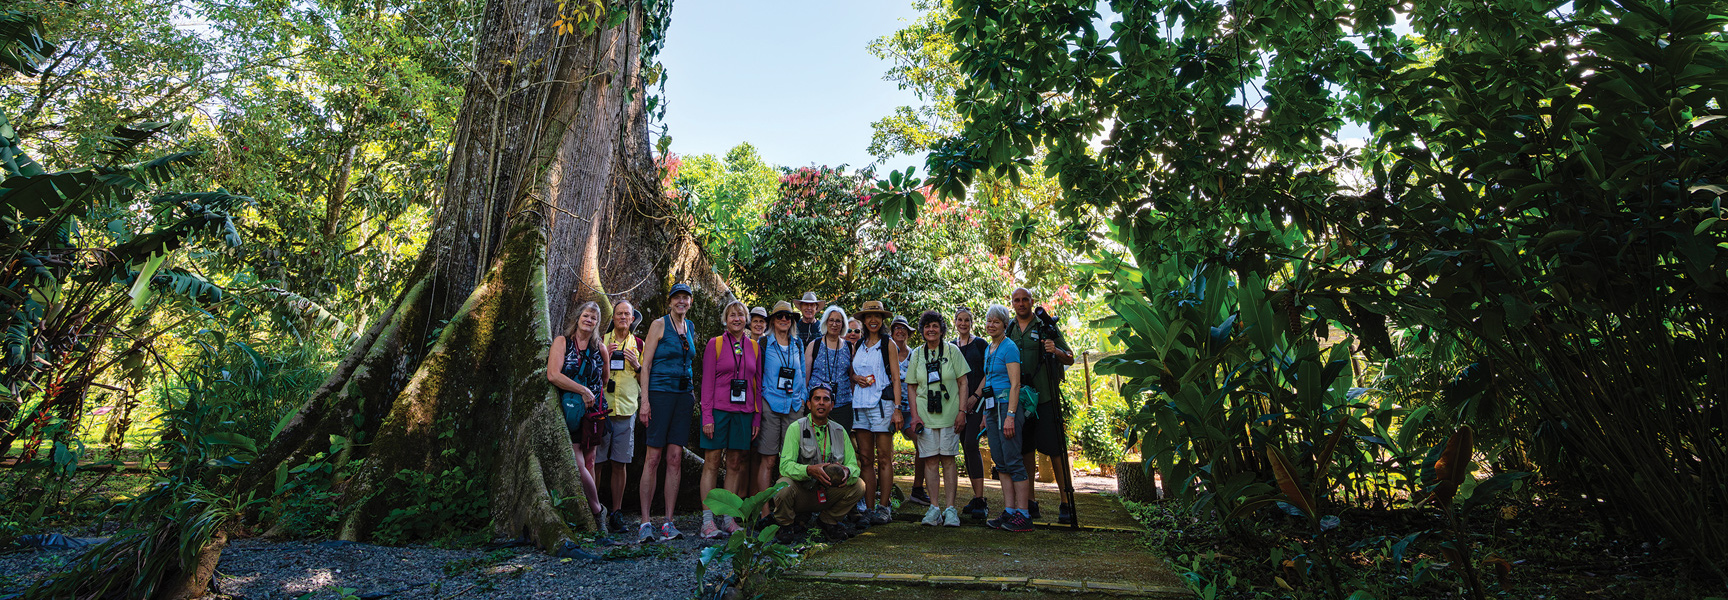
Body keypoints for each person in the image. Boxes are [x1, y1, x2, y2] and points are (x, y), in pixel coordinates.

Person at [1007, 287, 1078, 524]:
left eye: (1025, 299)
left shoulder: (1045, 326)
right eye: (1016, 300)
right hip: (1021, 400)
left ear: (1031, 301)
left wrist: (1054, 350)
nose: (1021, 304)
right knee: (1025, 449)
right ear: (1013, 303)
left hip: (1046, 397)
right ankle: (1030, 502)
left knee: (1055, 450)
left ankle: (1066, 502)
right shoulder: (1010, 328)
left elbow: (1070, 356)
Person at [637, 283, 698, 542]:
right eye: (677, 298)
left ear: (690, 301)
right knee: (653, 457)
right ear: (670, 302)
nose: (681, 302)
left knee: (675, 458)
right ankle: (645, 522)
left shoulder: (691, 327)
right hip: (660, 396)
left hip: (683, 397)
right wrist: (645, 401)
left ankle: (668, 522)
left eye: (685, 297)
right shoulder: (658, 325)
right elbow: (646, 365)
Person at [699, 300, 763, 539]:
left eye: (741, 315)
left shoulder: (754, 347)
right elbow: (707, 383)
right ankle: (707, 520)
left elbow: (757, 386)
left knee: (735, 464)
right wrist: (707, 416)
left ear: (746, 319)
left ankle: (728, 518)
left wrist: (756, 419)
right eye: (732, 315)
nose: (736, 318)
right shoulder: (715, 345)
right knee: (712, 463)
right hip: (718, 412)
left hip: (744, 413)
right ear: (725, 319)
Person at [770, 384, 864, 544]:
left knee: (859, 485)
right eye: (817, 399)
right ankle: (786, 525)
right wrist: (809, 470)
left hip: (829, 492)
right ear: (809, 404)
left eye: (826, 399)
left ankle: (828, 521)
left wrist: (848, 471)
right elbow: (785, 466)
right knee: (782, 486)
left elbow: (854, 466)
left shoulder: (840, 431)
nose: (821, 403)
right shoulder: (795, 428)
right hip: (802, 492)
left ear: (832, 405)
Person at [548, 300, 609, 528]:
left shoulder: (599, 348)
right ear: (577, 317)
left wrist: (591, 394)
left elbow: (604, 378)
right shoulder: (563, 342)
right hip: (571, 409)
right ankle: (597, 510)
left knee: (591, 460)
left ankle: (589, 513)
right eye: (586, 315)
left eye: (593, 318)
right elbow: (553, 375)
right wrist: (581, 390)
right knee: (577, 461)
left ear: (597, 323)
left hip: (593, 413)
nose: (589, 320)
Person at [906, 311, 969, 527]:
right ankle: (934, 508)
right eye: (926, 326)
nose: (930, 330)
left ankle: (951, 509)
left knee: (949, 461)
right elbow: (912, 387)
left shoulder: (953, 351)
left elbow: (963, 382)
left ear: (941, 329)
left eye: (934, 325)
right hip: (925, 417)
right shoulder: (917, 354)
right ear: (922, 331)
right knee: (930, 461)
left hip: (951, 416)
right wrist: (914, 416)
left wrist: (962, 411)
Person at [980, 304, 1033, 531]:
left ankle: (1024, 514)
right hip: (992, 409)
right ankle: (1010, 511)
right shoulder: (989, 348)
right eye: (989, 321)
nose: (991, 325)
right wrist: (984, 412)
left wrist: (1010, 416)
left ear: (1004, 325)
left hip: (1006, 407)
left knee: (1013, 459)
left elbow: (1015, 384)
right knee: (1000, 462)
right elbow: (988, 381)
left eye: (996, 322)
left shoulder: (1009, 347)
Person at [849, 300, 902, 526]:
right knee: (866, 458)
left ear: (882, 320)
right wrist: (855, 378)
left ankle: (884, 506)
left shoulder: (888, 344)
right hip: (860, 405)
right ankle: (869, 508)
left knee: (884, 458)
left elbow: (897, 378)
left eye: (877, 316)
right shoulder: (858, 345)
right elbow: (852, 371)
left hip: (882, 403)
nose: (873, 320)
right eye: (869, 317)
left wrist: (898, 409)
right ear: (863, 320)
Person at [756, 301, 808, 517]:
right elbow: (757, 374)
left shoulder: (797, 344)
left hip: (794, 406)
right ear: (772, 321)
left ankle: (786, 509)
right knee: (768, 459)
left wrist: (803, 399)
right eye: (780, 317)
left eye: (788, 317)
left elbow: (803, 374)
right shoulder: (764, 342)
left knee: (789, 461)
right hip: (770, 405)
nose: (785, 320)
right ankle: (765, 511)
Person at [599, 299, 644, 534]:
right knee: (596, 462)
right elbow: (593, 373)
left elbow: (644, 379)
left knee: (620, 462)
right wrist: (604, 357)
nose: (623, 317)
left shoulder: (638, 344)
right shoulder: (602, 343)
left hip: (626, 409)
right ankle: (595, 511)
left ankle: (616, 512)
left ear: (633, 318)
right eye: (619, 314)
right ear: (613, 318)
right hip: (602, 410)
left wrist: (637, 365)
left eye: (627, 314)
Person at [953, 306, 992, 520]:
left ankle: (980, 499)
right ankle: (975, 496)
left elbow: (988, 373)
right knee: (964, 448)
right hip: (958, 406)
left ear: (972, 323)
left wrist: (975, 397)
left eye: (967, 320)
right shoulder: (951, 346)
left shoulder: (981, 344)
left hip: (977, 402)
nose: (963, 323)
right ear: (955, 322)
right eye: (960, 319)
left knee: (971, 444)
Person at [890, 315, 929, 507]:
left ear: (909, 333)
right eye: (896, 328)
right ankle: (885, 489)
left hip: (910, 409)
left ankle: (917, 489)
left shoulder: (916, 355)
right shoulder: (885, 352)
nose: (900, 331)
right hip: (889, 408)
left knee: (921, 442)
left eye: (903, 328)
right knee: (883, 449)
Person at [805, 306, 855, 430]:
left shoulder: (849, 347)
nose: (834, 324)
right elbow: (805, 377)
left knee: (839, 444)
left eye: (838, 321)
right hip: (817, 404)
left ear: (843, 324)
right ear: (826, 322)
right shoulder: (814, 345)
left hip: (843, 405)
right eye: (831, 320)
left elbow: (851, 377)